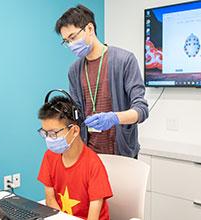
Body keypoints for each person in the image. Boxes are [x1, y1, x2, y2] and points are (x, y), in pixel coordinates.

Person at [55, 4, 149, 158]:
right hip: (89, 155)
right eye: (66, 41)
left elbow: (141, 110)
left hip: (121, 152)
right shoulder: (74, 70)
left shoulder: (124, 60)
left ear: (90, 29)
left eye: (73, 37)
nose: (71, 45)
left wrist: (114, 118)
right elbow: (76, 114)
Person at [37, 92, 113, 220]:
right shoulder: (50, 156)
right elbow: (50, 199)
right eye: (45, 133)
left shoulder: (93, 165)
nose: (49, 139)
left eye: (53, 133)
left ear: (75, 130)